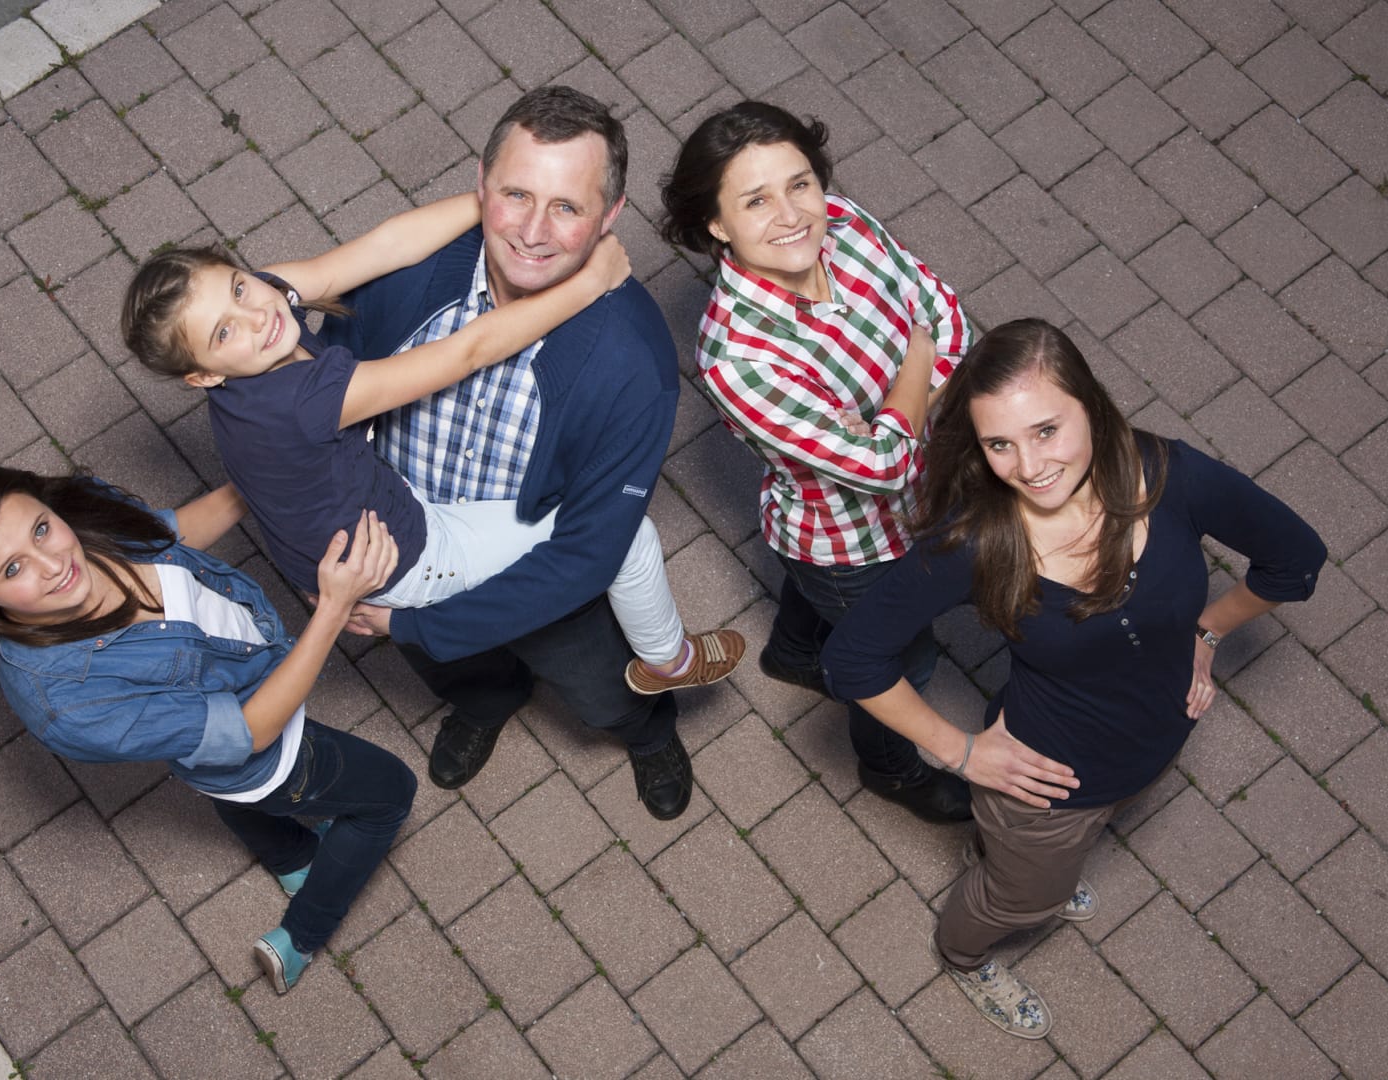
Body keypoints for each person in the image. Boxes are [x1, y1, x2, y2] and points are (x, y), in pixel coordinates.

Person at [822, 319, 1325, 1038]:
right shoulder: (974, 543)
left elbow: (1295, 560)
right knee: (1018, 898)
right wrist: (960, 752)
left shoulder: (1169, 474)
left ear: (1089, 404)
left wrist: (1207, 631)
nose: (1028, 466)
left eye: (1046, 430)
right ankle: (967, 951)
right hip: (1045, 788)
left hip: (1154, 742)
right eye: (999, 444)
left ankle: (1011, 865)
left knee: (1040, 865)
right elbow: (852, 658)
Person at [122, 203, 741, 699]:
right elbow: (466, 352)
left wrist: (496, 202)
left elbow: (384, 246)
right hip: (405, 557)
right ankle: (668, 661)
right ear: (203, 376)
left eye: (237, 286)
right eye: (223, 331)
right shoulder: (298, 400)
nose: (255, 315)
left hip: (355, 524)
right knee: (630, 539)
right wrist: (591, 282)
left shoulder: (263, 305)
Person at [301, 85, 700, 820]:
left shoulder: (635, 361)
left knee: (600, 687)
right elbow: (322, 403)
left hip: (537, 566)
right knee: (458, 670)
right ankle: (486, 703)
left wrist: (408, 626)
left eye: (567, 207)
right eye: (517, 194)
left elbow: (585, 555)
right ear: (480, 184)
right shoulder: (401, 278)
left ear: (610, 216)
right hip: (409, 544)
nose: (534, 232)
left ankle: (646, 733)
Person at [0, 466, 418, 994]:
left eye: (41, 529)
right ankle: (303, 935)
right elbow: (250, 732)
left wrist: (267, 469)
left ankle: (295, 860)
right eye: (13, 569)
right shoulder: (66, 705)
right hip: (265, 749)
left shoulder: (81, 512)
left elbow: (167, 534)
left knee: (227, 791)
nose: (55, 564)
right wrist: (333, 609)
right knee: (390, 793)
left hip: (210, 742)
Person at [658, 100, 973, 824]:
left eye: (799, 184)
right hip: (851, 543)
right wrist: (917, 357)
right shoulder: (737, 358)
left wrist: (898, 409)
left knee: (824, 606)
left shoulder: (843, 222)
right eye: (755, 200)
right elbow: (884, 467)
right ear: (716, 224)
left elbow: (948, 313)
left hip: (924, 490)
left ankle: (795, 654)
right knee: (902, 665)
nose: (793, 214)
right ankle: (891, 770)